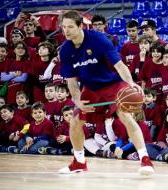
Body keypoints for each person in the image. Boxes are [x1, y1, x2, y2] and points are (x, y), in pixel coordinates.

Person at [58, 11, 154, 175]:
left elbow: (120, 66)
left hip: (113, 84)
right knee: (75, 121)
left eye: (70, 27)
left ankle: (145, 159)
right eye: (63, 27)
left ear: (81, 26)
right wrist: (77, 100)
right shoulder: (65, 50)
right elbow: (72, 82)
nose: (66, 31)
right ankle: (79, 162)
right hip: (90, 88)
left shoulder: (99, 39)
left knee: (125, 115)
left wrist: (131, 84)